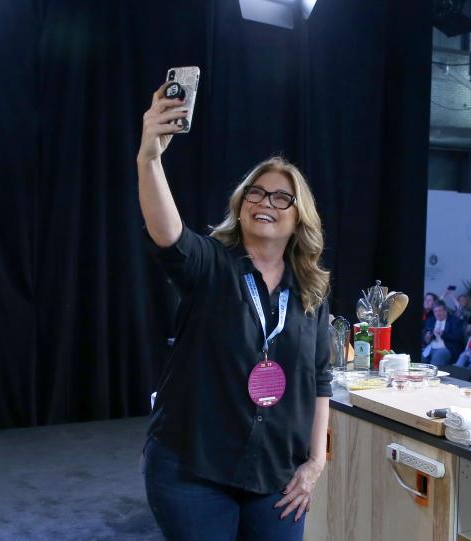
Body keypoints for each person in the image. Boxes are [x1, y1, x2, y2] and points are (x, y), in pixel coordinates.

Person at [138, 86, 330, 539]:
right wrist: (150, 159)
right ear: (241, 205)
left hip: (276, 476)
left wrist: (316, 462)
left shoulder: (311, 290)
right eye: (255, 193)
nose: (265, 202)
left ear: (299, 216)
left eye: (281, 197)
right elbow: (168, 234)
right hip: (192, 471)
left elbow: (320, 377)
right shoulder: (209, 264)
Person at [421, 300, 465, 368]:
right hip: (430, 347)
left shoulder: (455, 321)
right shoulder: (430, 320)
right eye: (435, 311)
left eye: (440, 310)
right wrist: (426, 337)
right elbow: (424, 334)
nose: (437, 313)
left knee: (437, 358)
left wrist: (443, 334)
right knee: (419, 358)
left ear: (445, 310)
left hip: (447, 348)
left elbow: (459, 337)